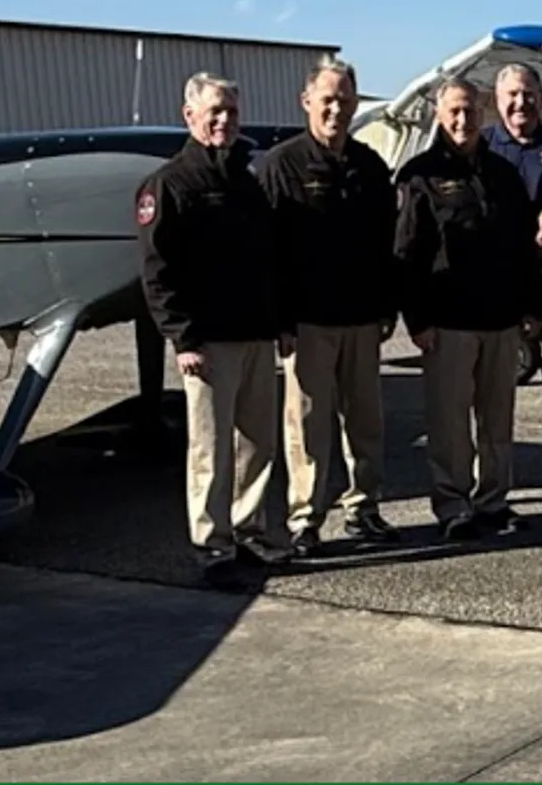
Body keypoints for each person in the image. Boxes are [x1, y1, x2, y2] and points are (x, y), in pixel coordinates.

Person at [136, 72, 292, 588]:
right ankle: (212, 545)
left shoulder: (246, 181)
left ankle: (250, 533)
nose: (224, 120)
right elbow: (158, 271)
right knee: (210, 448)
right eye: (214, 112)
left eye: (231, 112)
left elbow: (269, 261)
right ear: (190, 116)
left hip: (254, 334)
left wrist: (279, 324)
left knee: (257, 444)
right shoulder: (170, 184)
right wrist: (181, 338)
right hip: (208, 343)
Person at [257, 54, 405, 558]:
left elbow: (388, 243)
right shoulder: (281, 165)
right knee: (308, 426)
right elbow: (267, 250)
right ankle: (305, 518)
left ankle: (364, 508)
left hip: (363, 319)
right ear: (306, 102)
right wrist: (279, 319)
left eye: (345, 100)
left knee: (366, 422)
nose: (336, 110)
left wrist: (388, 308)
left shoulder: (369, 166)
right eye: (327, 100)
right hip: (307, 322)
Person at [393, 76, 542, 540]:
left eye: (471, 111)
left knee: (497, 421)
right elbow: (406, 254)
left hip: (501, 321)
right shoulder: (418, 175)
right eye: (455, 110)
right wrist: (416, 320)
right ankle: (453, 503)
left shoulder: (502, 174)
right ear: (440, 113)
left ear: (483, 113)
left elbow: (521, 247)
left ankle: (493, 501)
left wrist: (527, 308)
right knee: (450, 423)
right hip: (448, 323)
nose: (464, 119)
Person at [481, 63, 542, 513]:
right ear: (497, 100)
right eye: (512, 95)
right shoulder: (480, 148)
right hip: (498, 295)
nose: (522, 103)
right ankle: (493, 495)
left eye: (529, 93)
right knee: (495, 404)